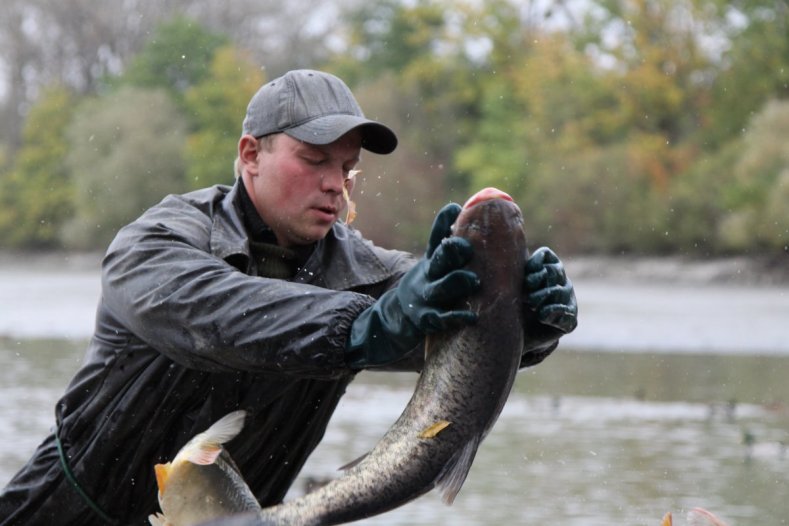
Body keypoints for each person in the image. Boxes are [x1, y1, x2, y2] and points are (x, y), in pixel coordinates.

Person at [0, 69, 577, 525]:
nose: (336, 182)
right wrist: (368, 326)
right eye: (315, 159)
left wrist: (525, 320)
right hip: (60, 512)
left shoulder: (372, 276)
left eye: (348, 169)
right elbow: (225, 317)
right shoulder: (154, 245)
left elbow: (456, 336)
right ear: (251, 155)